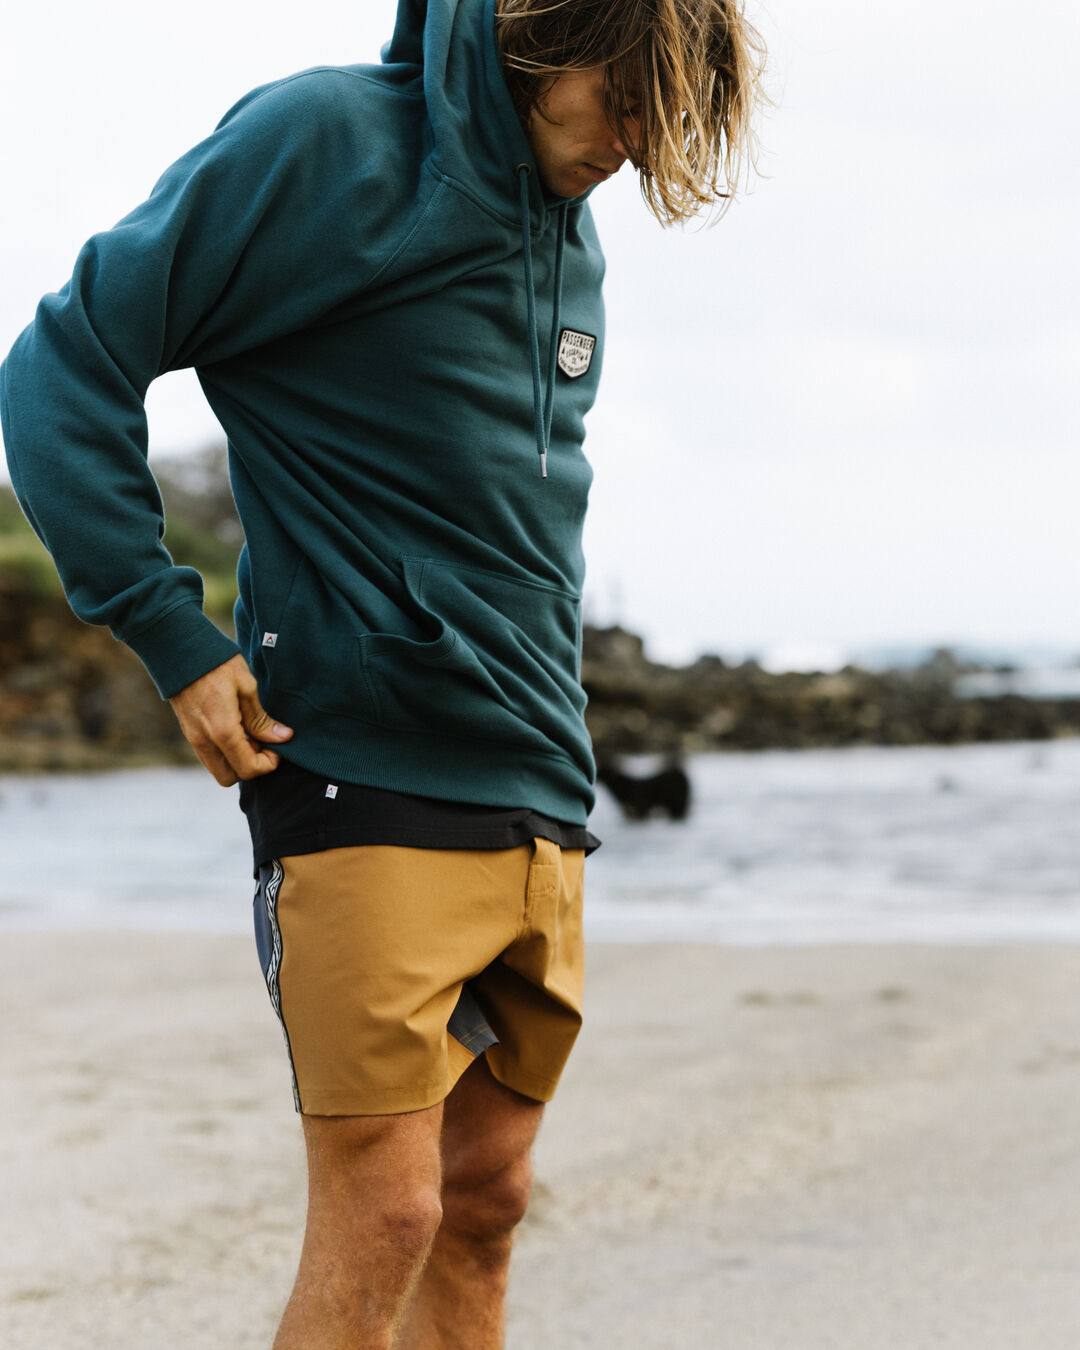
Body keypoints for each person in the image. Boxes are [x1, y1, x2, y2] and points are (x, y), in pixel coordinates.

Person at [1, 0, 766, 1343]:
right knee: (388, 1211)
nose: (641, 147)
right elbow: (64, 363)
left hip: (540, 782)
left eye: (670, 124)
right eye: (629, 98)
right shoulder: (331, 145)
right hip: (358, 765)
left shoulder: (571, 231)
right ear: (550, 31)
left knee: (485, 1198)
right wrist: (173, 633)